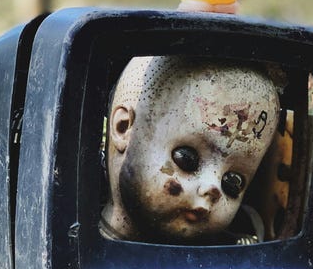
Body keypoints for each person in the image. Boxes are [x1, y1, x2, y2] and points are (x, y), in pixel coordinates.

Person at [100, 55, 280, 244]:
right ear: (123, 127)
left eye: (233, 182)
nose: (212, 188)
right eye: (186, 159)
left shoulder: (237, 251)